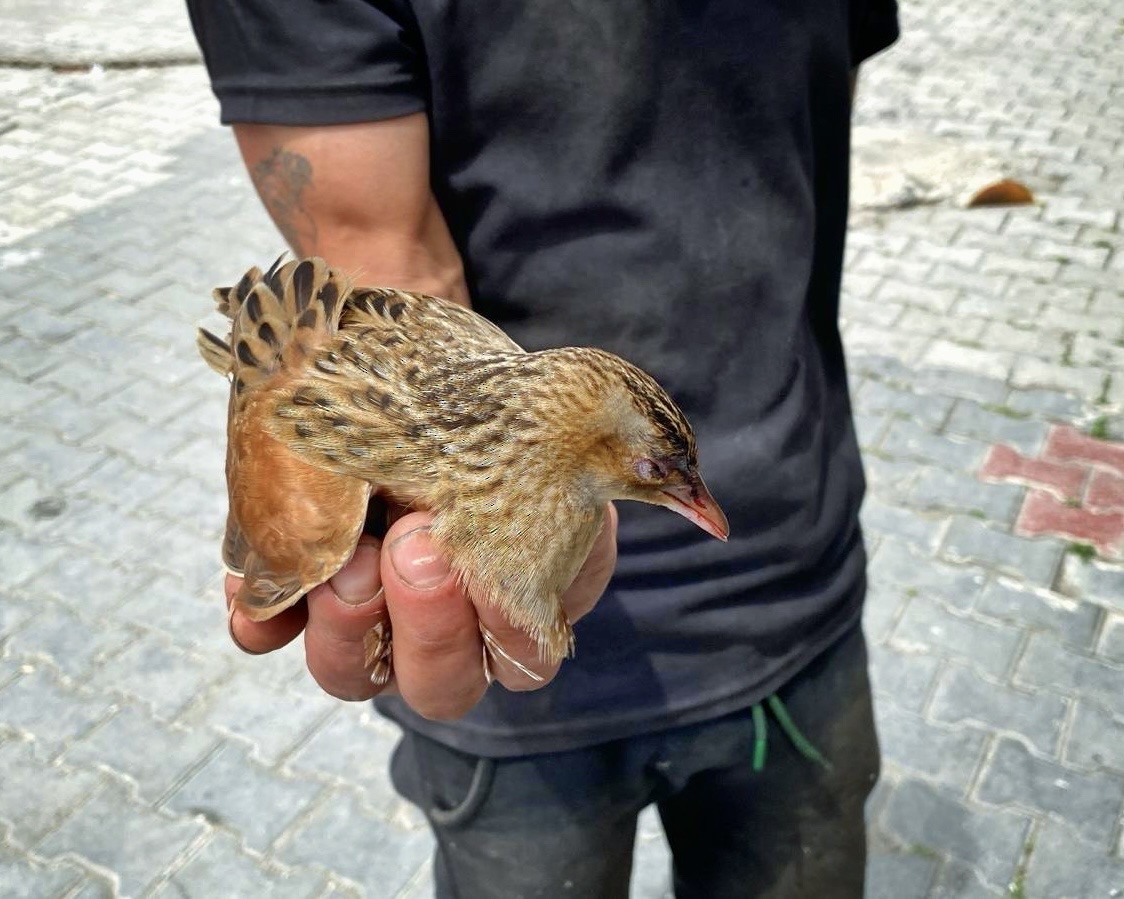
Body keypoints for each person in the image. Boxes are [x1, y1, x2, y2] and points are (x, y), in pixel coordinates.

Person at [187, 2, 899, 896]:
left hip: (802, 583)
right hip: (515, 713)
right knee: (306, 561)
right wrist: (338, 515)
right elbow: (368, 250)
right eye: (658, 477)